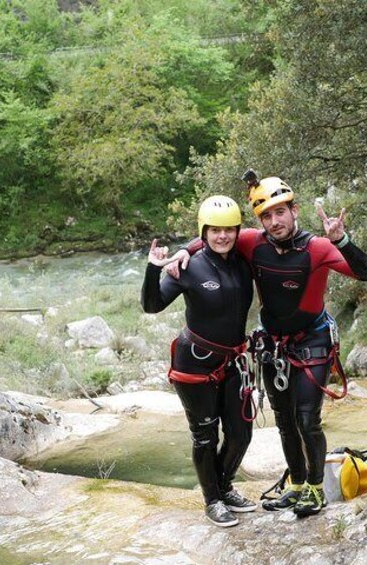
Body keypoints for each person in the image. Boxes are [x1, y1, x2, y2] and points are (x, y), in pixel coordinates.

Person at [170, 173, 367, 517]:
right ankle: (295, 486)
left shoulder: (317, 247)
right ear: (259, 220)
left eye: (281, 212)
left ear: (295, 211)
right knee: (283, 419)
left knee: (306, 419)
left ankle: (315, 490)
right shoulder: (252, 243)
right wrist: (181, 250)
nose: (275, 221)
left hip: (313, 338)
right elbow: (213, 236)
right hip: (273, 344)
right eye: (267, 215)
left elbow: (365, 272)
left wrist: (342, 240)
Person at [141, 195, 257, 528]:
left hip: (234, 359)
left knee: (240, 434)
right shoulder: (188, 266)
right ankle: (213, 500)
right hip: (195, 361)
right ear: (204, 231)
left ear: (237, 231)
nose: (223, 236)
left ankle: (223, 486)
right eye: (215, 230)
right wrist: (153, 267)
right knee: (205, 435)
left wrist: (186, 246)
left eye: (229, 230)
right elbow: (153, 305)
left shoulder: (243, 259)